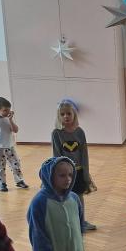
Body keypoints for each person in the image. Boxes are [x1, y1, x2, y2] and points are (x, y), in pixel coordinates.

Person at [51, 99, 96, 231]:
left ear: (74, 114)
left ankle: (81, 222)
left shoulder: (79, 132)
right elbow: (56, 155)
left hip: (78, 171)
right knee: (65, 198)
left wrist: (86, 172)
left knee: (79, 197)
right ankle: (68, 223)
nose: (66, 116)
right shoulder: (56, 133)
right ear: (59, 116)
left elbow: (84, 153)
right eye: (63, 114)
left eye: (69, 113)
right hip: (65, 173)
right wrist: (58, 173)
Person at [0, 97, 27, 192]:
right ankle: (1, 183)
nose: (8, 112)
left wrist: (10, 120)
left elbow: (15, 130)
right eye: (5, 110)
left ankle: (19, 180)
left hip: (10, 146)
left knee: (16, 164)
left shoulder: (8, 119)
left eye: (9, 109)